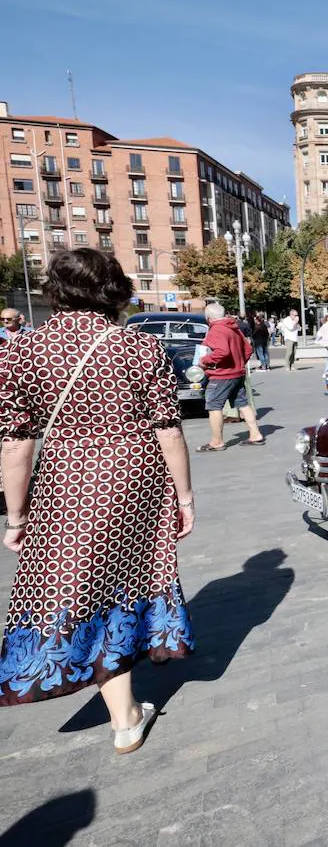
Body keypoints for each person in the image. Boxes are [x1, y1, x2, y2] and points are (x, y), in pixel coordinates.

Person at [0, 248, 195, 753]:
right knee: (124, 583)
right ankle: (124, 713)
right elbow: (168, 430)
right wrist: (186, 497)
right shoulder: (141, 348)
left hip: (65, 481)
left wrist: (16, 514)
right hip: (136, 479)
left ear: (56, 291)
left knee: (73, 587)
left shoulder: (22, 351)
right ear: (114, 289)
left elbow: (16, 442)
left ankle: (121, 710)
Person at [197, 302, 265, 451]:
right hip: (237, 373)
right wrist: (239, 364)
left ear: (208, 318)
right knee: (243, 403)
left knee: (214, 405)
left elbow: (222, 352)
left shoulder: (216, 330)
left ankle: (217, 441)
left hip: (221, 375)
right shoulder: (234, 327)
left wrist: (204, 361)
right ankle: (255, 434)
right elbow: (248, 349)